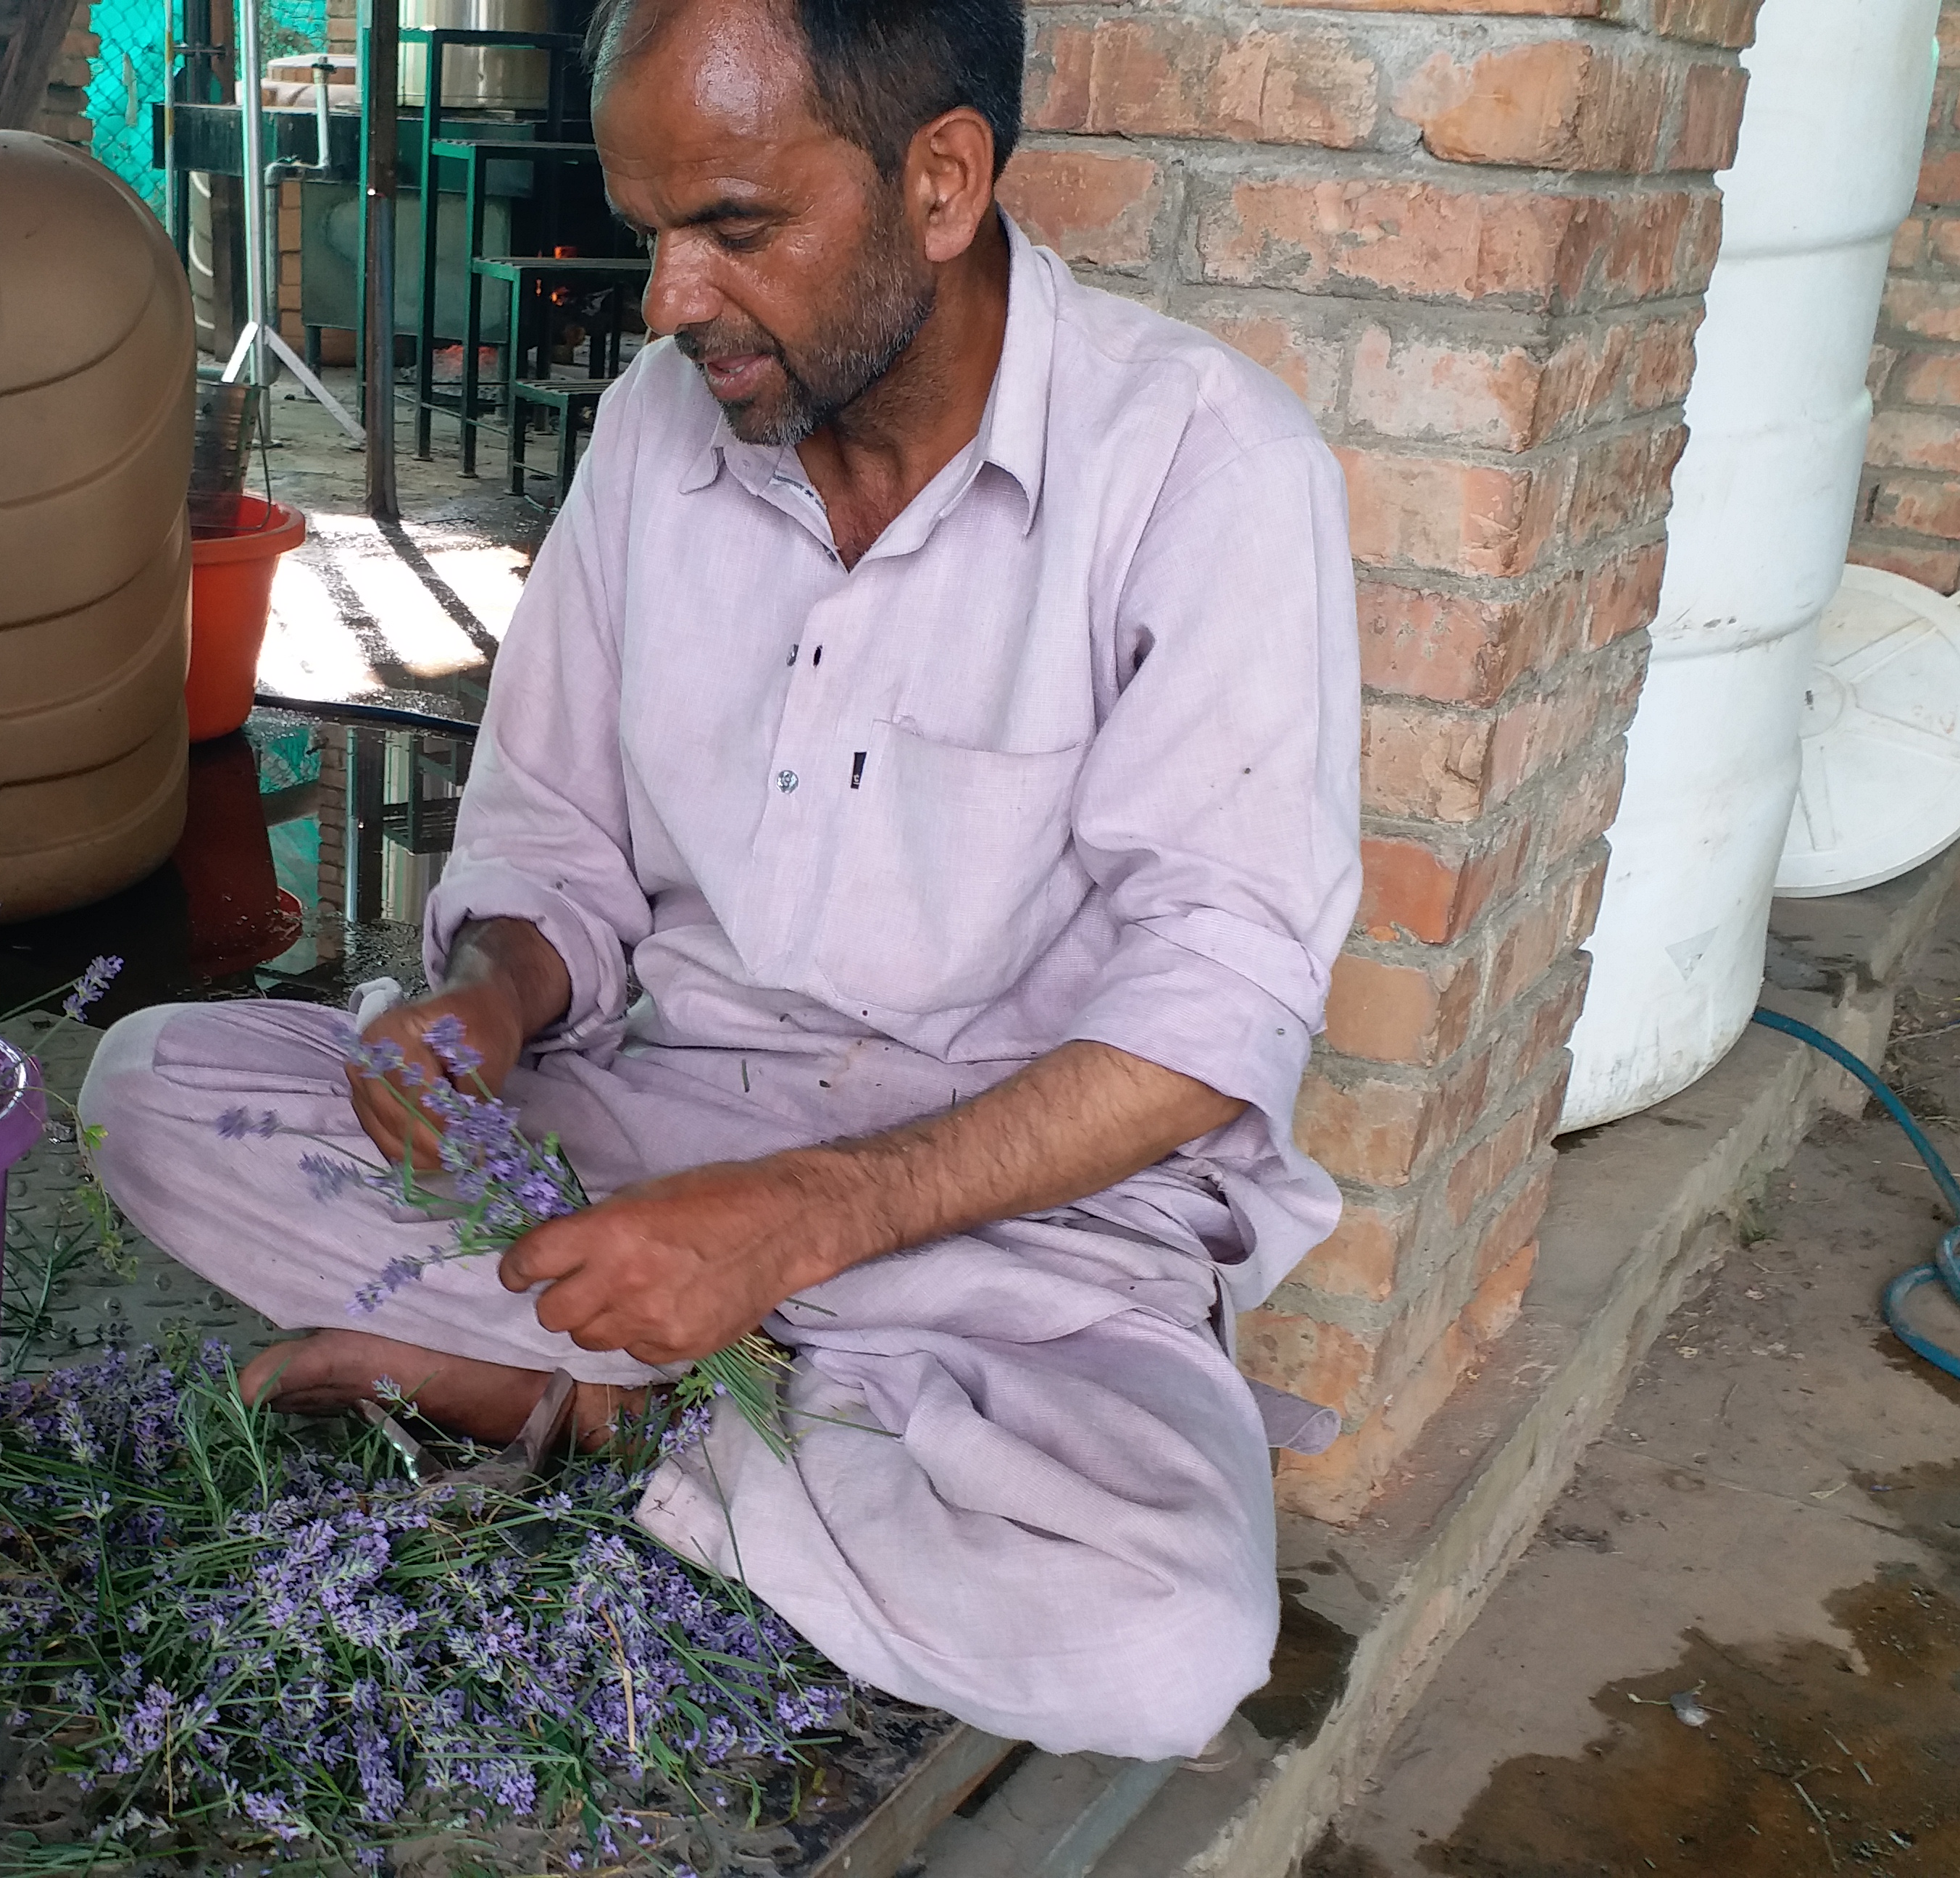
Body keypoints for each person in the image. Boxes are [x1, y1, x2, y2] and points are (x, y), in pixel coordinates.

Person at [80, 0, 1358, 1760]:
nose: (671, 301)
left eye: (736, 230)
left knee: (1166, 1638)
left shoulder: (1207, 472)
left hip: (1011, 1236)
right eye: (650, 234)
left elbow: (1221, 1009)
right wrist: (498, 1001)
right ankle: (757, 1431)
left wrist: (800, 1224)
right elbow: (555, 839)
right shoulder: (653, 436)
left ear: (944, 181)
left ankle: (597, 1416)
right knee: (153, 1088)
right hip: (642, 1140)